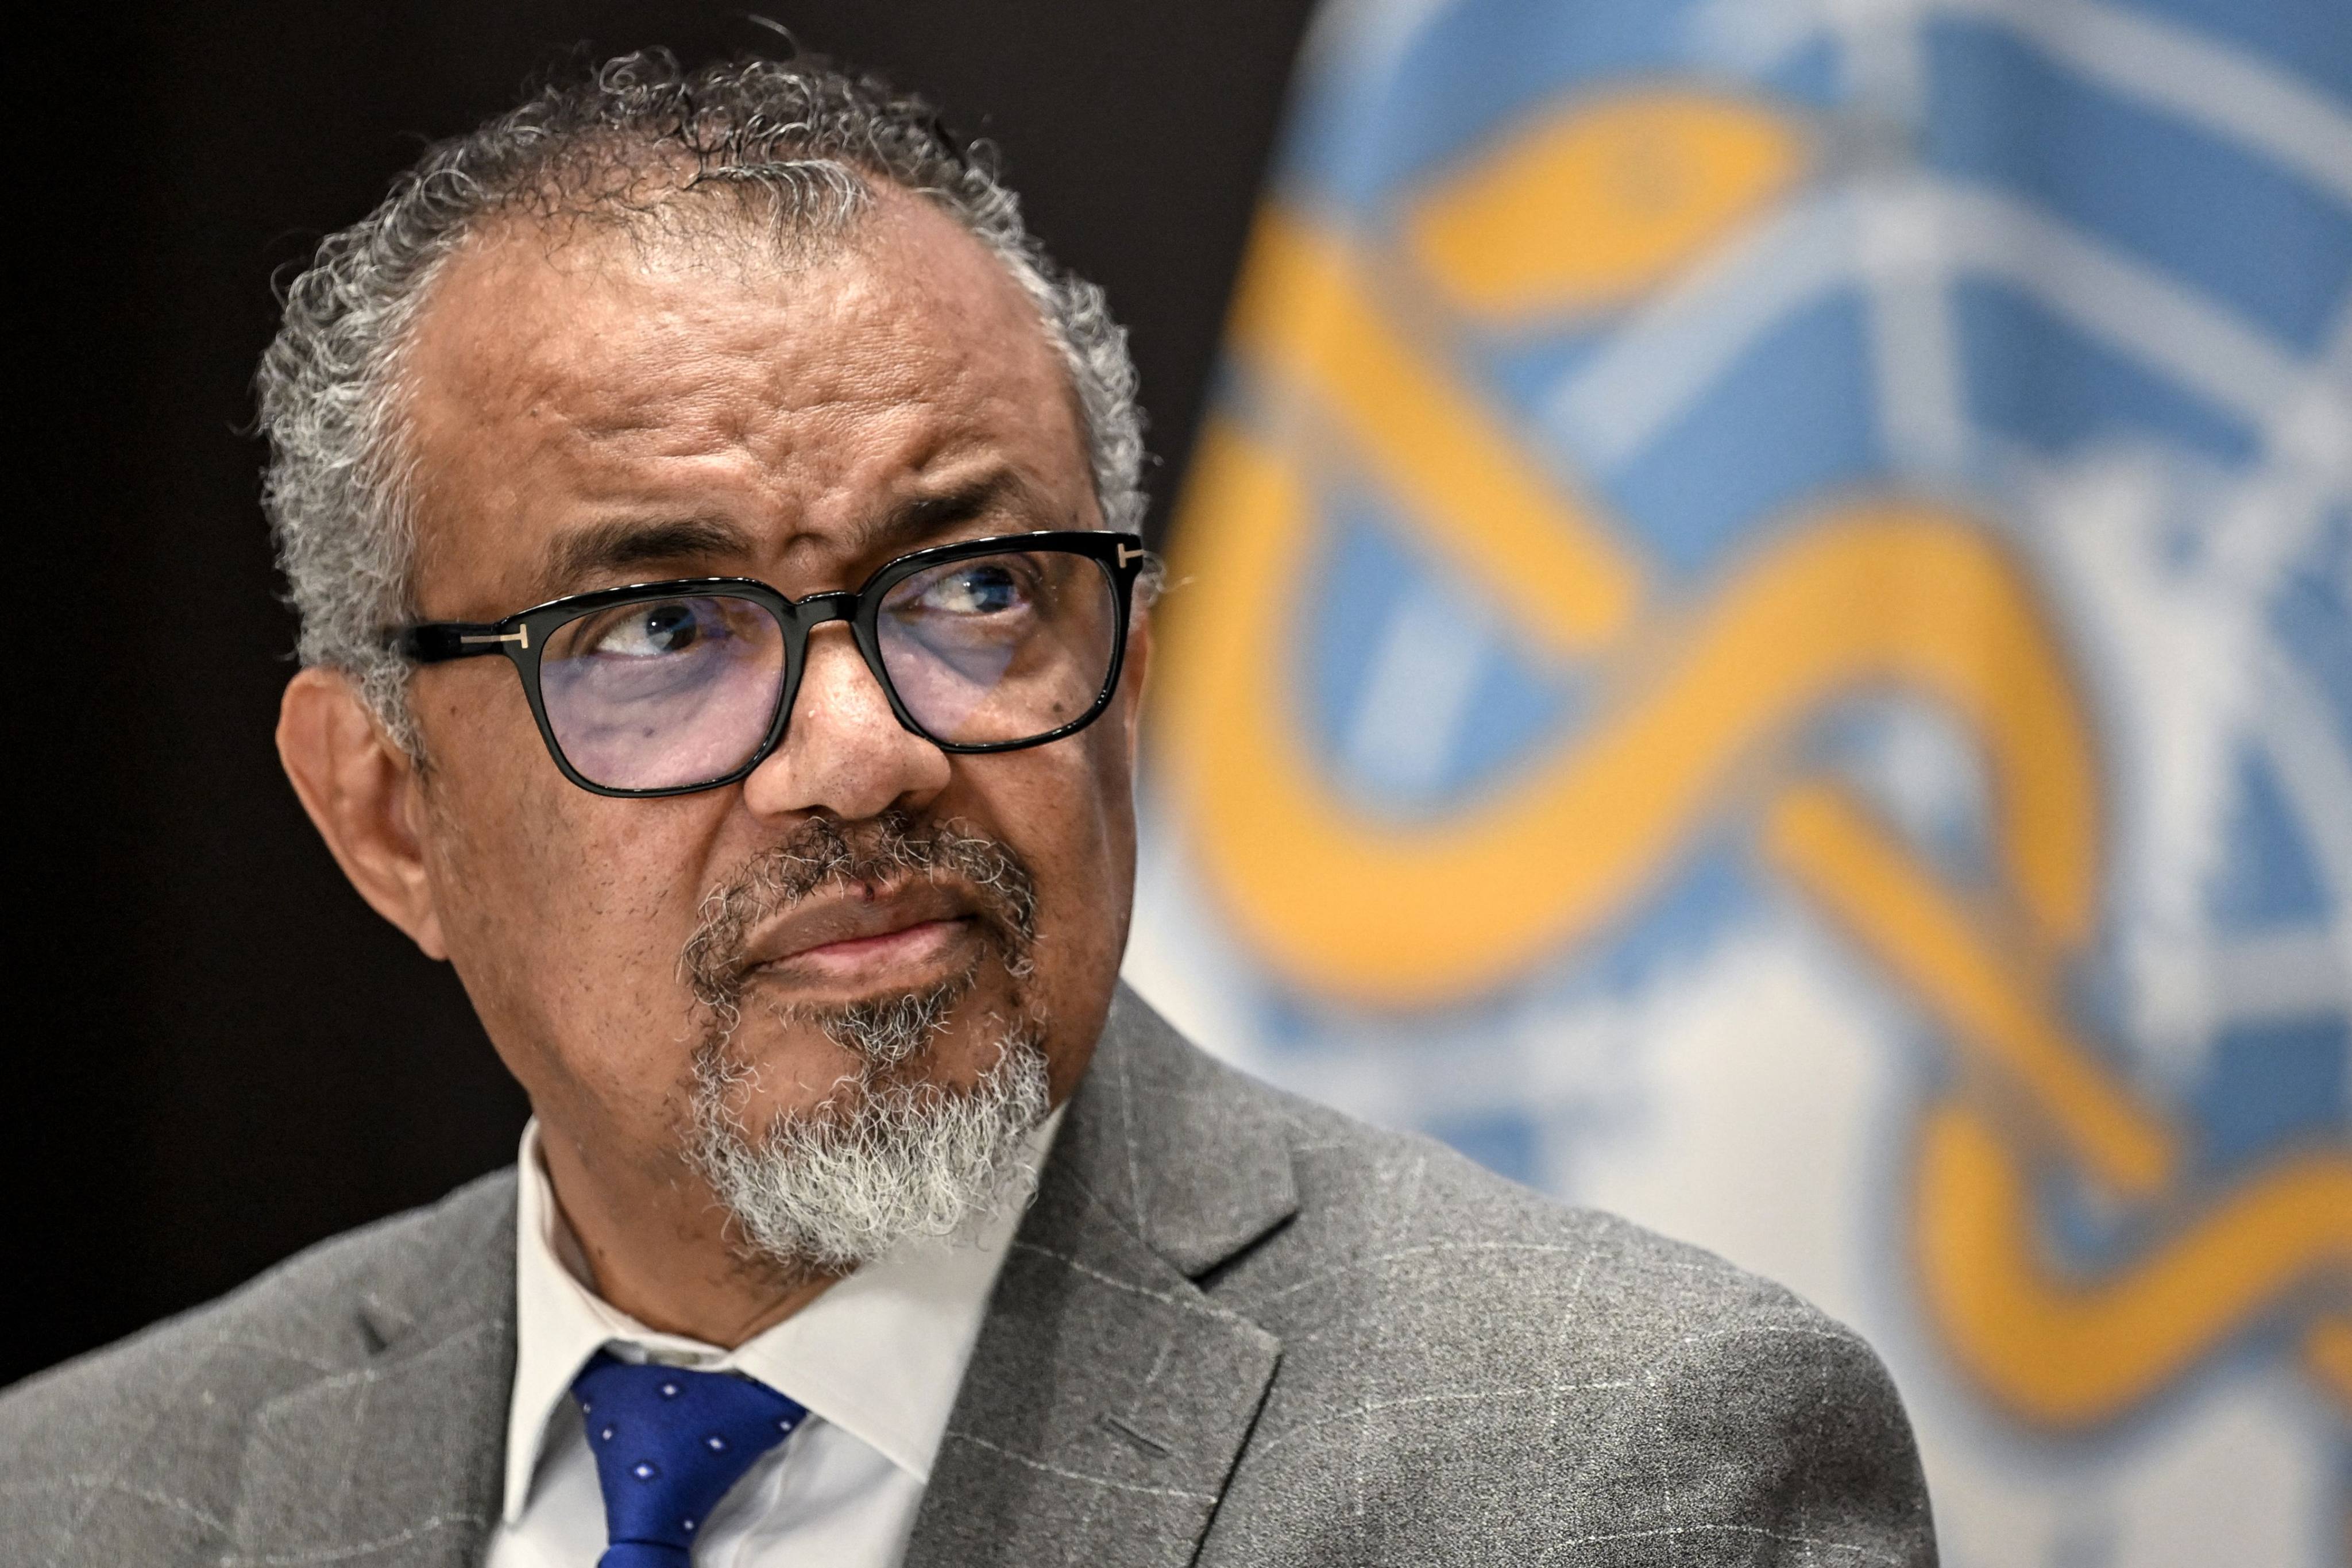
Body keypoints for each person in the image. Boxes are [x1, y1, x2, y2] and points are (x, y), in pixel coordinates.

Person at [1, 51, 1936, 1567]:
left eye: (981, 587)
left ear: (1140, 682)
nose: (862, 748)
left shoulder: (1619, 1472)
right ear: (387, 814)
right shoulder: (82, 1495)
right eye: (663, 623)